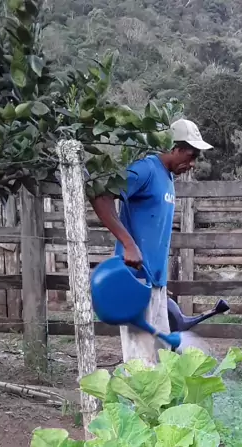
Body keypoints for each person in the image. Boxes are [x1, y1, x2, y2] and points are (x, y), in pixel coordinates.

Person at [90, 119, 212, 358]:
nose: (192, 164)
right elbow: (101, 196)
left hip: (155, 281)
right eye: (190, 156)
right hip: (134, 280)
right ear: (174, 148)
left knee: (160, 357)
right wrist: (128, 244)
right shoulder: (145, 169)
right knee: (140, 361)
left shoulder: (167, 176)